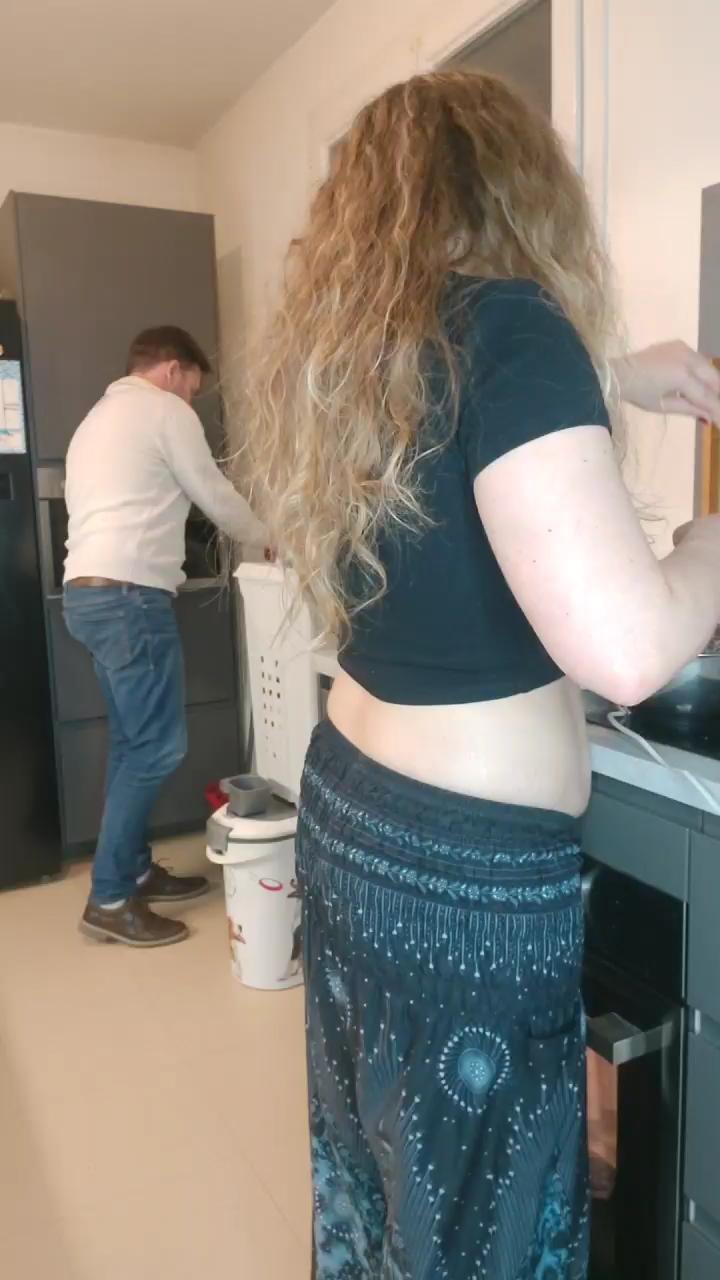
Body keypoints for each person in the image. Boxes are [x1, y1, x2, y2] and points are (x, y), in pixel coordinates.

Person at [243, 71, 720, 1279]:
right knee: (481, 1229)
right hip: (462, 880)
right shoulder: (512, 322)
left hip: (354, 817)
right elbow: (628, 645)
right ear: (523, 188)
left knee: (380, 1182)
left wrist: (615, 372)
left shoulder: (355, 363)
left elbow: (452, 421)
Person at [64, 326, 265, 948]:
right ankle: (109, 899)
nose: (191, 400)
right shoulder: (162, 410)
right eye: (193, 388)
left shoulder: (97, 419)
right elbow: (212, 492)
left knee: (133, 745)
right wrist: (271, 537)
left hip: (89, 595)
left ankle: (132, 871)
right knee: (155, 749)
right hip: (129, 597)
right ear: (174, 370)